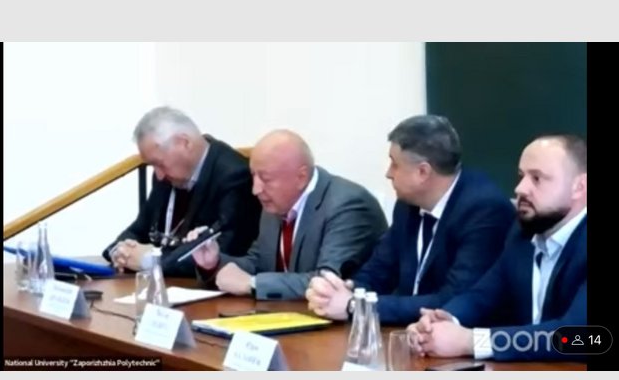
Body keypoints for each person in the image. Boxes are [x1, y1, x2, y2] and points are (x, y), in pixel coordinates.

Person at [305, 115, 515, 324]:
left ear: (422, 172)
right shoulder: (408, 205)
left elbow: (453, 300)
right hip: (409, 333)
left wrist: (355, 305)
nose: (388, 174)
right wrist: (342, 292)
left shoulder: (484, 210)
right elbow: (378, 271)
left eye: (394, 164)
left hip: (461, 337)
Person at [407, 134, 587, 361]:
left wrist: (472, 341)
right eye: (521, 176)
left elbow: (581, 337)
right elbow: (483, 295)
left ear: (579, 187)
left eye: (537, 178)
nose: (520, 188)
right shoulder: (523, 232)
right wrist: (441, 321)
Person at [186, 129, 388, 299]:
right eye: (254, 176)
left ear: (301, 177)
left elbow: (327, 282)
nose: (256, 189)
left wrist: (253, 284)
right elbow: (258, 262)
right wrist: (213, 262)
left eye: (265, 178)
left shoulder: (348, 204)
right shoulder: (275, 204)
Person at [102, 106, 261, 278]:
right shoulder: (166, 177)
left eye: (159, 164)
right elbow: (139, 229)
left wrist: (150, 260)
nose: (158, 175)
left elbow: (221, 251)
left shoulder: (234, 175)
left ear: (185, 143)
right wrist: (119, 251)